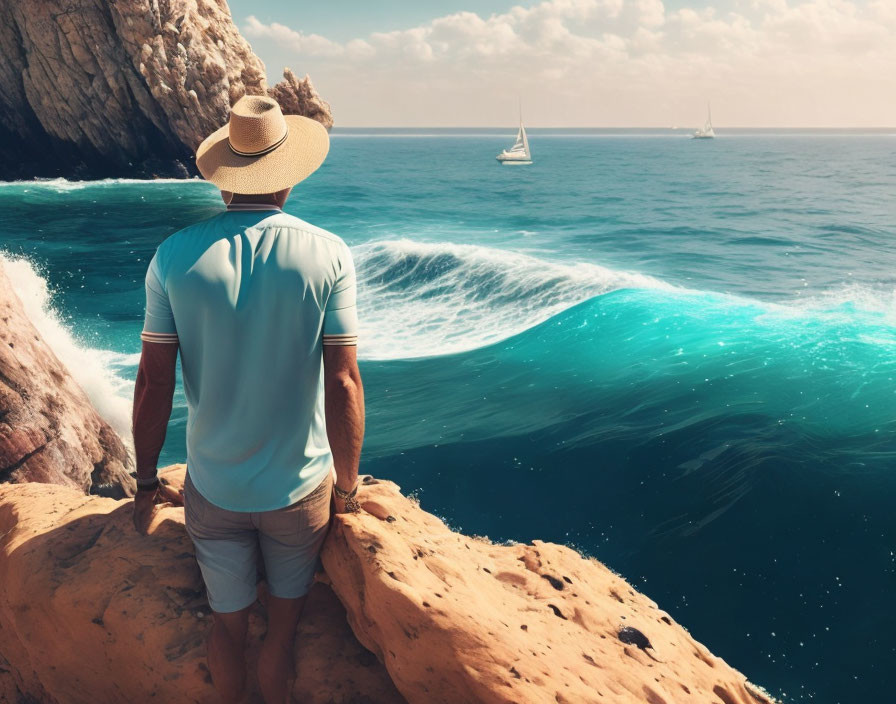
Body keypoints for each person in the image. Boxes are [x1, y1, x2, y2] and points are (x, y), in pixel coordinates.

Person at [130, 95, 365, 704]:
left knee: (226, 630)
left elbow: (154, 383)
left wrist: (147, 482)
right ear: (288, 174)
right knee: (281, 635)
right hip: (299, 493)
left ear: (226, 176)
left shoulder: (173, 256)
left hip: (214, 491)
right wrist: (347, 489)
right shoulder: (330, 254)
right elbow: (343, 383)